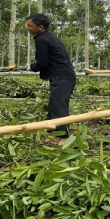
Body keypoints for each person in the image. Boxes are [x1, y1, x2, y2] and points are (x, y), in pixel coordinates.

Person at [26, 14, 76, 146]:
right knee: (54, 105)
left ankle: (64, 137)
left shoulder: (42, 40)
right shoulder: (49, 37)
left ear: (40, 27)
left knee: (59, 106)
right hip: (62, 76)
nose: (27, 28)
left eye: (30, 25)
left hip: (62, 76)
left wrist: (32, 67)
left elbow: (42, 63)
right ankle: (54, 135)